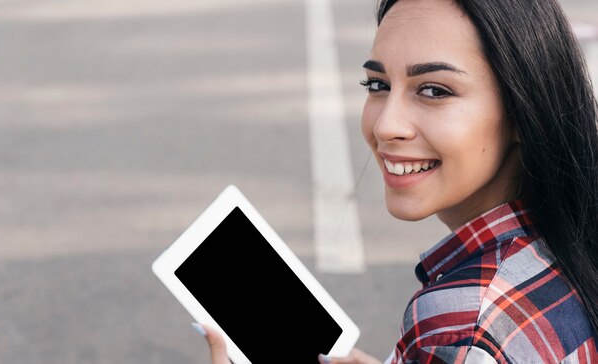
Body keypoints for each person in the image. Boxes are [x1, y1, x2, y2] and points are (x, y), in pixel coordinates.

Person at [192, 0, 598, 362]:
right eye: (378, 85)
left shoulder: (464, 332)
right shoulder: (564, 245)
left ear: (523, 112)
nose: (387, 125)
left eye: (434, 90)